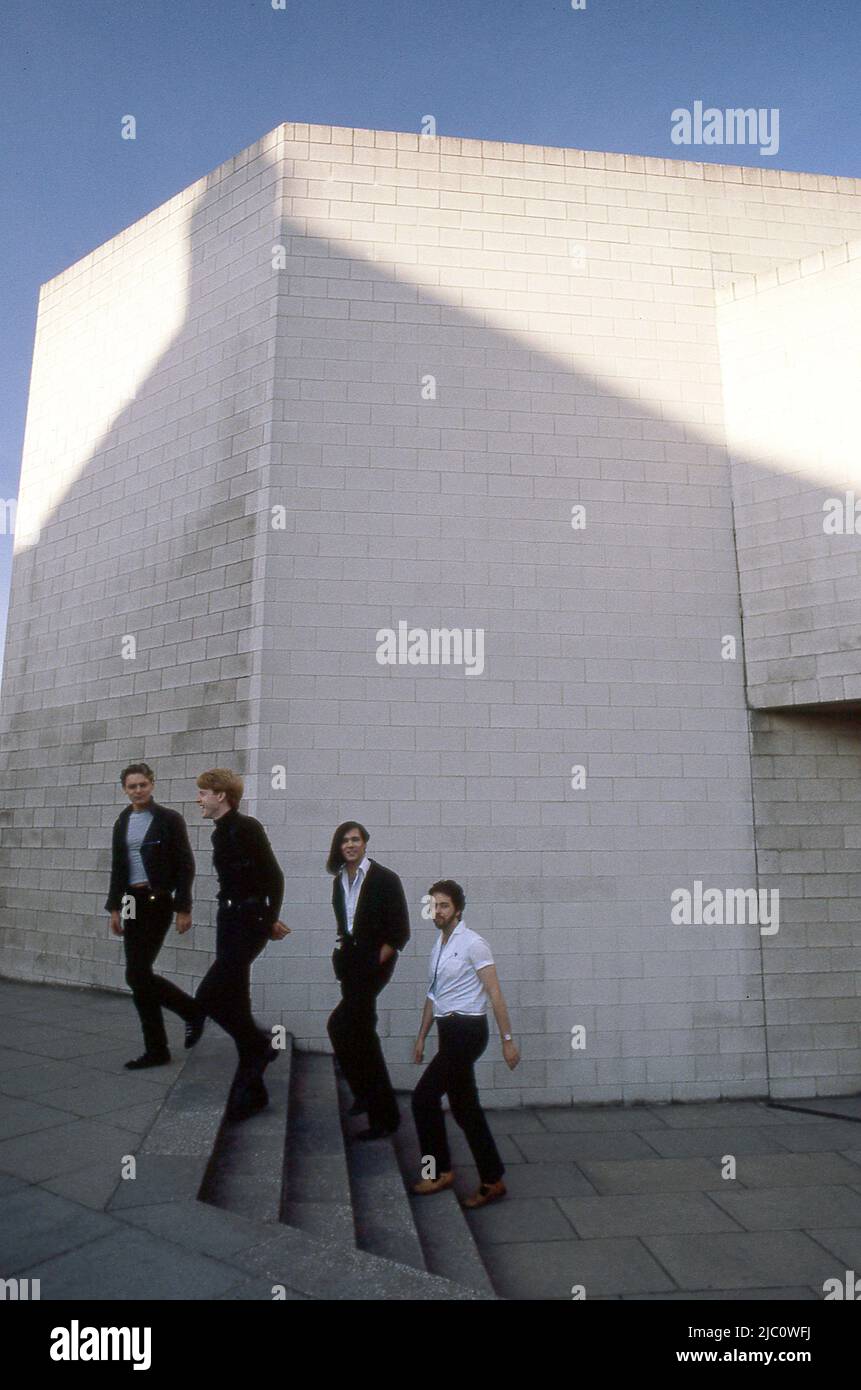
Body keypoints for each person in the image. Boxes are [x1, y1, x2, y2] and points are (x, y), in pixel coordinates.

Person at [411, 880, 520, 1209]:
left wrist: (508, 1041)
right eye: (433, 905)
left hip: (468, 1031)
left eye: (443, 905)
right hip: (448, 1031)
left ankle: (438, 1170)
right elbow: (433, 996)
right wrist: (421, 1037)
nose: (437, 911)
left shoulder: (474, 944)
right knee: (464, 1108)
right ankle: (492, 1179)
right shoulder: (439, 946)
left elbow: (495, 993)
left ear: (457, 909)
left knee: (423, 1098)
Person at [190, 769, 290, 1122]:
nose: (198, 799)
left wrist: (267, 920)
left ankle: (260, 1047)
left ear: (221, 795)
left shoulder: (247, 828)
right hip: (228, 920)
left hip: (247, 924)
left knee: (207, 997)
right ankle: (254, 1089)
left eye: (203, 793)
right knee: (236, 1001)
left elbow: (273, 877)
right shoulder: (220, 834)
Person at [105, 763, 200, 1070]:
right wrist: (115, 908)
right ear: (124, 789)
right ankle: (174, 1029)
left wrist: (183, 907)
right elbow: (118, 867)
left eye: (143, 784)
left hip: (157, 900)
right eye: (132, 786)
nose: (138, 790)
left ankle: (180, 1023)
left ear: (152, 785)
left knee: (137, 973)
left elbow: (186, 865)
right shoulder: (122, 821)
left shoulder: (169, 820)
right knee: (137, 975)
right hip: (131, 899)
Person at [326, 821, 410, 1140]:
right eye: (344, 841)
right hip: (350, 962)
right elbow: (346, 926)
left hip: (373, 964)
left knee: (344, 1027)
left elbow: (399, 932)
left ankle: (376, 1106)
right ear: (339, 847)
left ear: (365, 843)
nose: (350, 845)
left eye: (355, 839)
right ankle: (374, 1103)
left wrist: (373, 964)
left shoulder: (385, 879)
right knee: (358, 1031)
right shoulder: (339, 881)